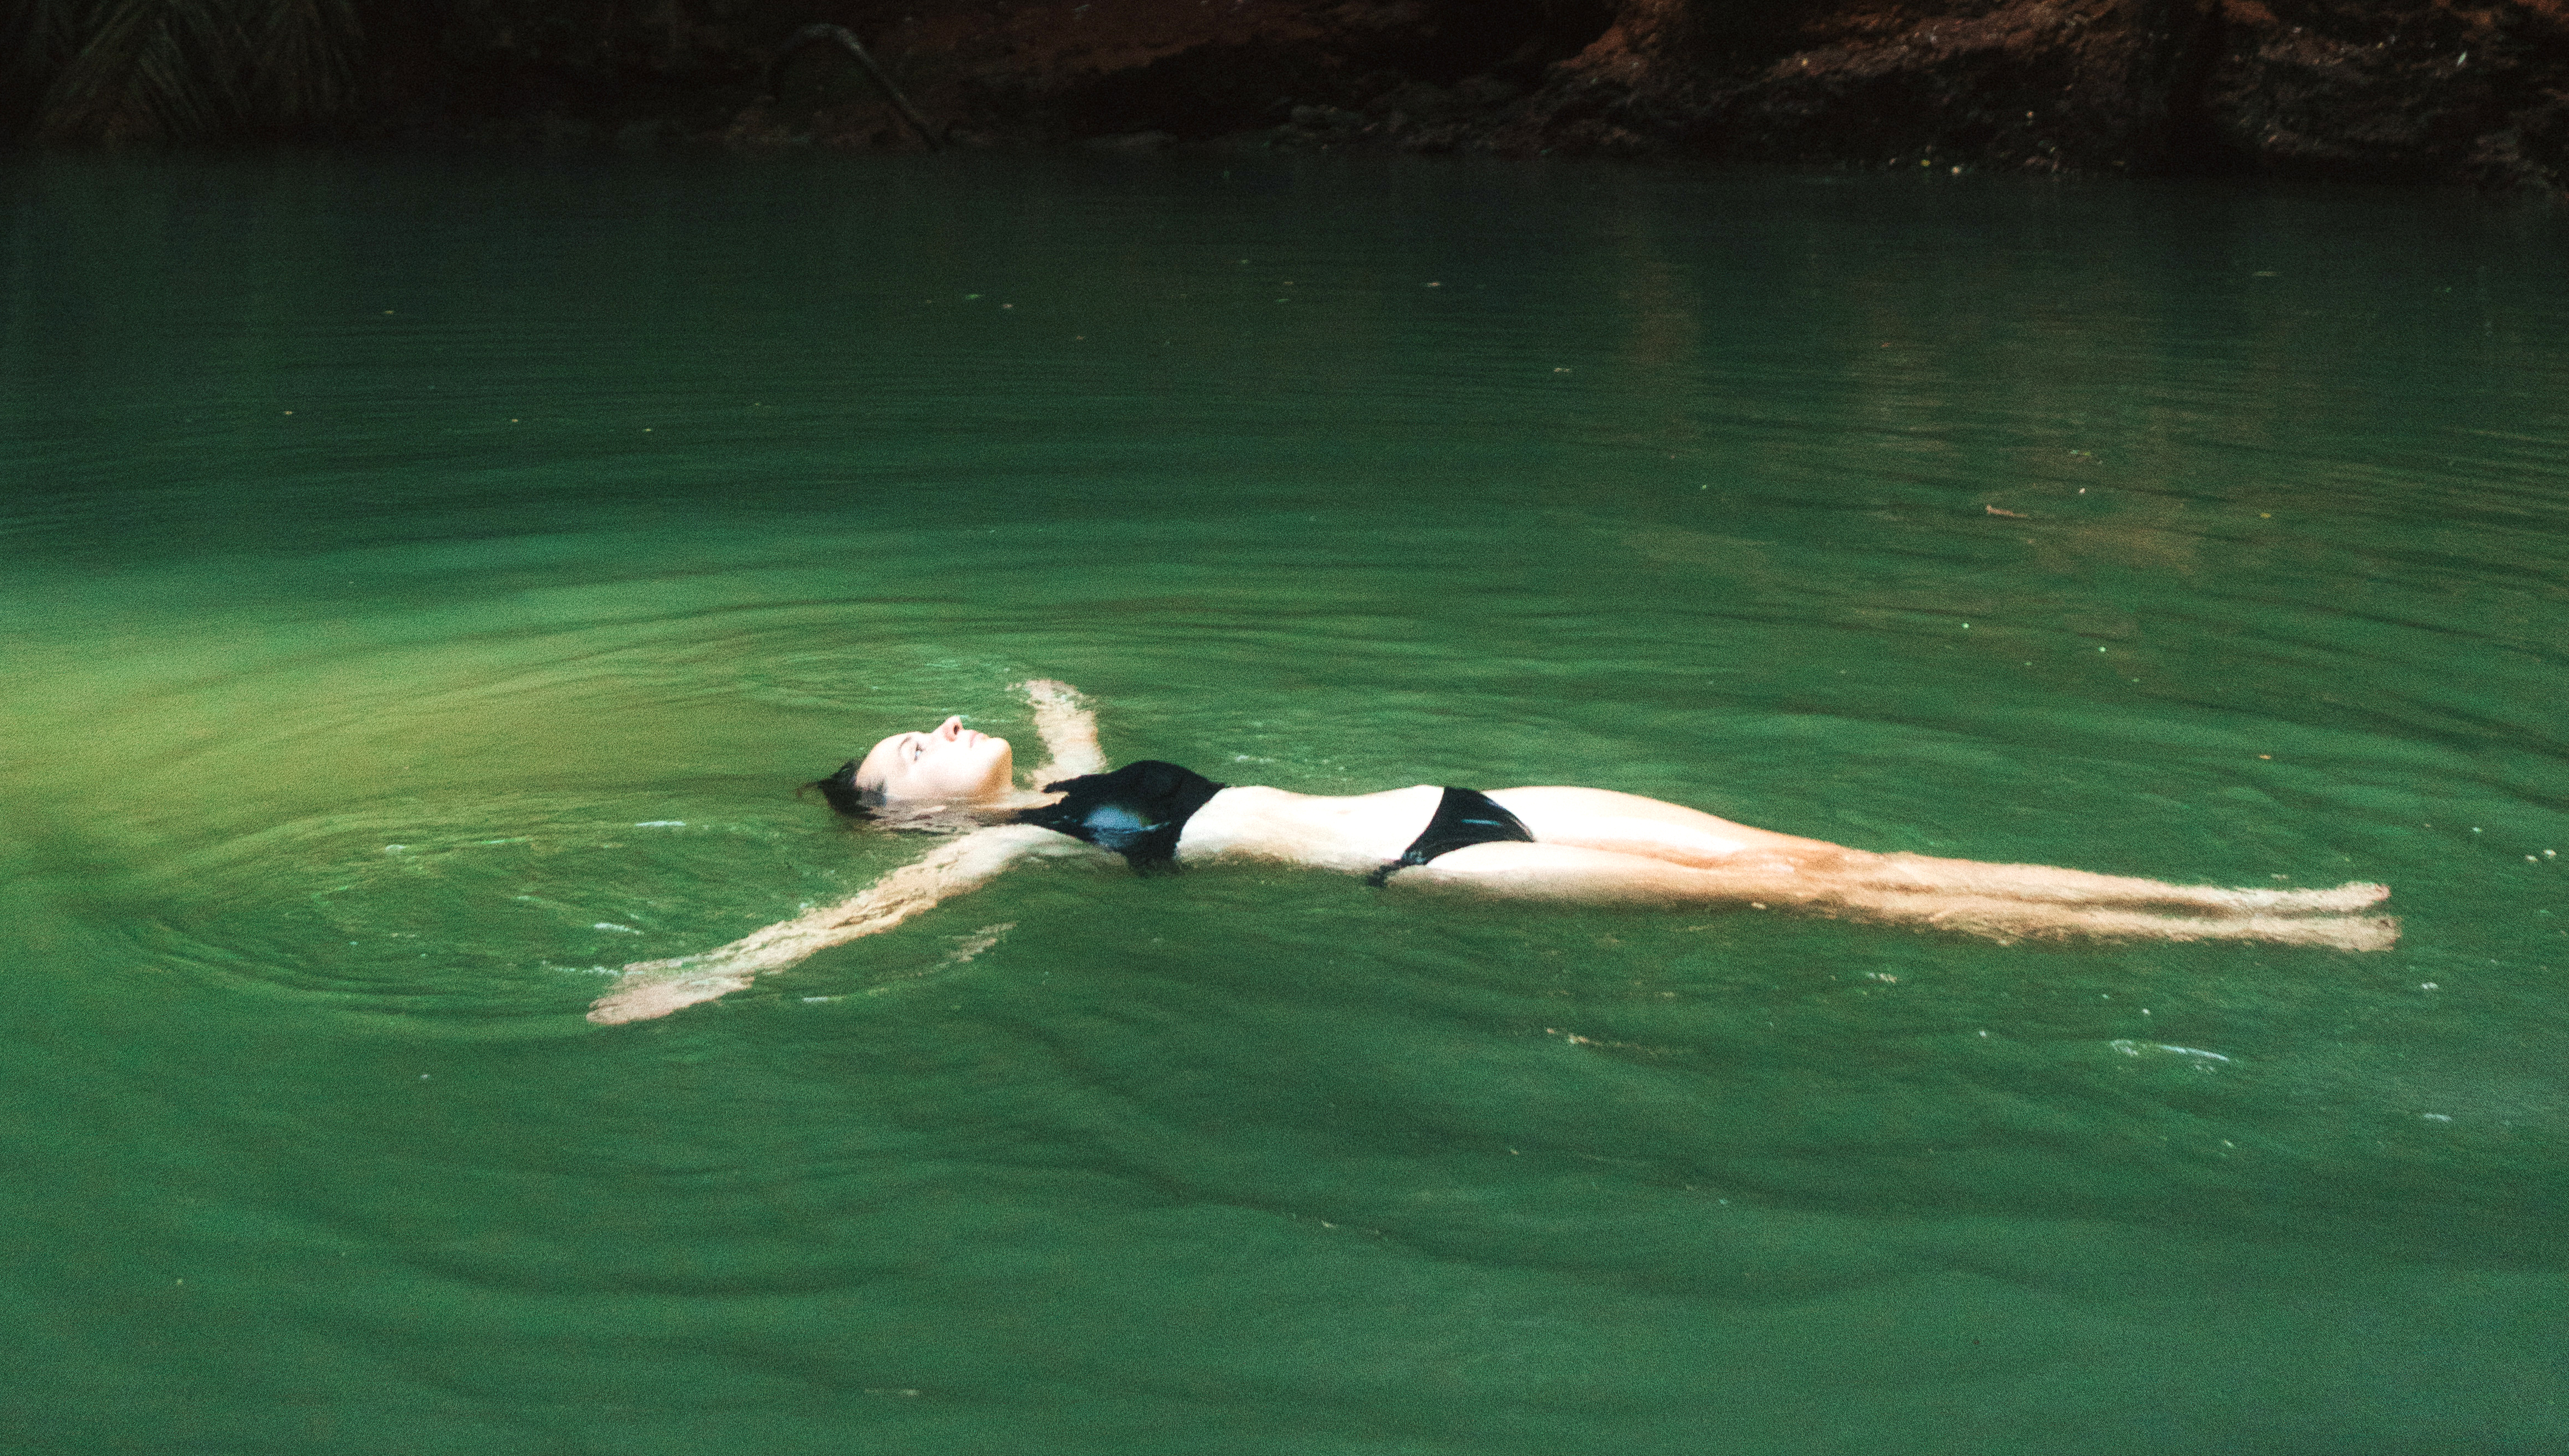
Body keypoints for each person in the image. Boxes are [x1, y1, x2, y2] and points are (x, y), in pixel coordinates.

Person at [587, 675, 2393, 1021]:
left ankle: (2249, 893)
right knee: (1818, 906)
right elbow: (866, 922)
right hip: (1438, 867)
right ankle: (2257, 947)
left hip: (1493, 784)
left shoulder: (1064, 778)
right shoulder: (1000, 856)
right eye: (911, 748)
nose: (935, 729)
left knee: (1843, 847)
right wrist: (713, 969)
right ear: (907, 808)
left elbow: (1070, 737)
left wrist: (1056, 690)